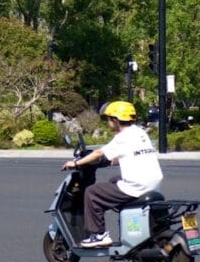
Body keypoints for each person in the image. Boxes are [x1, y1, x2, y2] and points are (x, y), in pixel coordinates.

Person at [62, 99, 163, 247]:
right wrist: (109, 162)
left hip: (136, 186)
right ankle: (126, 220)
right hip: (153, 182)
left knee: (92, 193)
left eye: (108, 119)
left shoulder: (122, 137)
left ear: (116, 120)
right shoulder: (139, 133)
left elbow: (98, 152)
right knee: (113, 181)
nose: (108, 122)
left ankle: (99, 235)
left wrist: (75, 163)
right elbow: (126, 155)